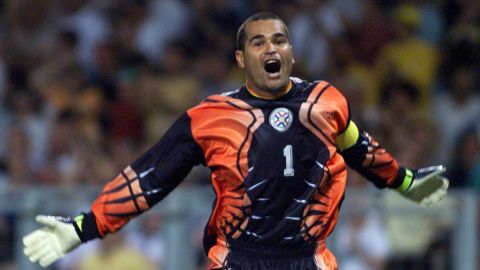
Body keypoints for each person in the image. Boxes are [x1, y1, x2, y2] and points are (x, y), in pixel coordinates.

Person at [22, 12, 449, 270]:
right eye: (259, 41)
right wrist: (84, 227)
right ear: (242, 59)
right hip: (235, 258)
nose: (272, 48)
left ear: (291, 54)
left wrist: (406, 183)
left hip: (309, 259)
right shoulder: (209, 117)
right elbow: (149, 177)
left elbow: (360, 150)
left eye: (280, 40)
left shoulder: (327, 102)